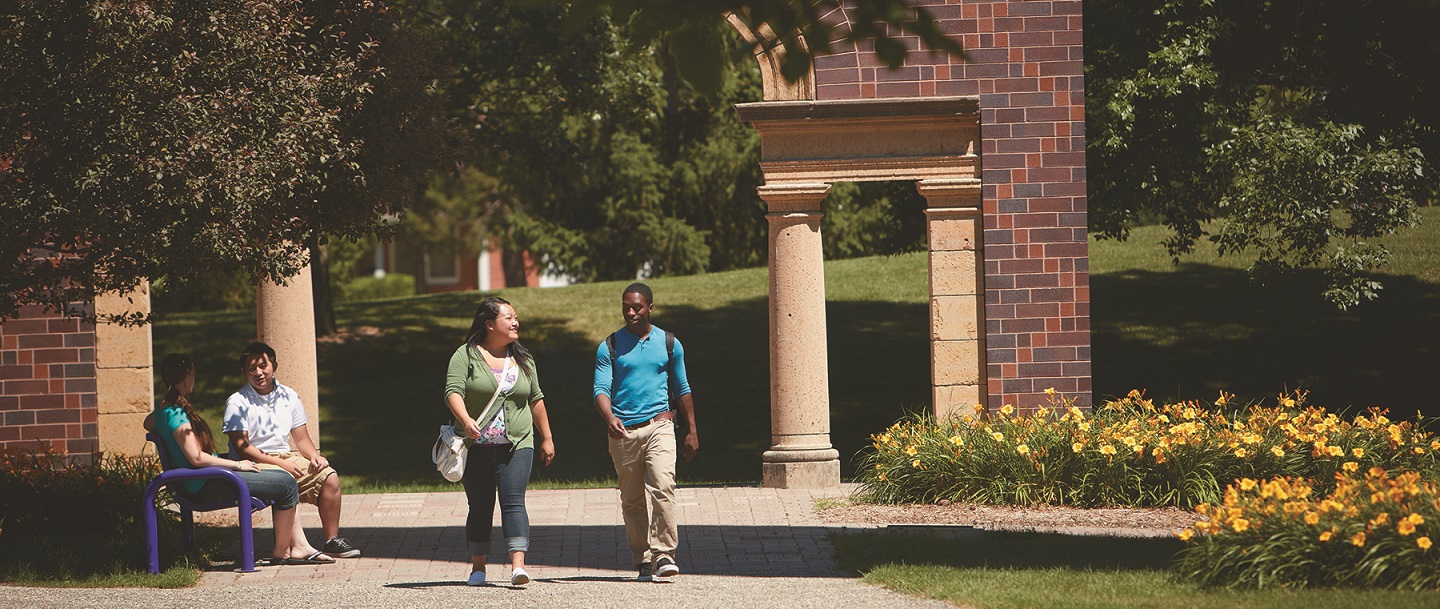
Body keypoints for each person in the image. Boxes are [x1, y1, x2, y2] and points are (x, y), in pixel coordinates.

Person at [148, 353, 334, 566]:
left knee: (282, 480)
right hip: (204, 483)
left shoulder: (165, 410)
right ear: (184, 379)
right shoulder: (176, 415)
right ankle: (287, 550)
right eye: (192, 375)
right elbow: (196, 458)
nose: (194, 379)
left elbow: (148, 423)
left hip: (203, 479)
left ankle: (298, 546)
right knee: (286, 483)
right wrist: (238, 464)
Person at [445, 297, 555, 587]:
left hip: (517, 443)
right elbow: (452, 392)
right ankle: (478, 568)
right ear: (490, 324)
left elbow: (536, 399)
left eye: (516, 317)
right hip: (475, 446)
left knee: (514, 502)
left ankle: (518, 566)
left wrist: (547, 437)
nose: (516, 322)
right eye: (509, 318)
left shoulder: (523, 358)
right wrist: (466, 419)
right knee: (480, 506)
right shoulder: (465, 355)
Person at [593, 282, 699, 581]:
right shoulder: (610, 345)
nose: (630, 312)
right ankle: (641, 556)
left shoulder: (669, 343)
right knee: (632, 498)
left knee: (663, 486)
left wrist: (692, 430)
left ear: (650, 307)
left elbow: (682, 388)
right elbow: (600, 388)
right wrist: (609, 416)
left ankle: (664, 553)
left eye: (637, 307)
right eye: (626, 306)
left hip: (660, 425)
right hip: (623, 431)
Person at [221, 342, 360, 559]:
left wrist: (315, 456)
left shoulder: (289, 396)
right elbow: (243, 448)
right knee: (285, 479)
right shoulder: (237, 402)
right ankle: (292, 548)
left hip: (286, 457)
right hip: (254, 463)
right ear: (243, 372)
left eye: (263, 366)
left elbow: (301, 438)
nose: (258, 373)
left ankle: (331, 541)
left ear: (274, 365)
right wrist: (281, 464)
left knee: (330, 478)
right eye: (251, 368)